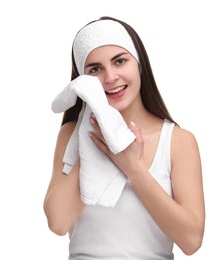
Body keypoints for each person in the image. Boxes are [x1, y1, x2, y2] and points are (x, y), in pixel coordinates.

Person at [43, 16, 205, 259]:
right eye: (95, 69)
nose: (110, 77)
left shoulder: (178, 141)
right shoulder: (71, 134)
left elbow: (191, 240)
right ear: (83, 81)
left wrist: (133, 168)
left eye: (120, 61)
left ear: (138, 64)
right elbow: (58, 222)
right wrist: (94, 146)